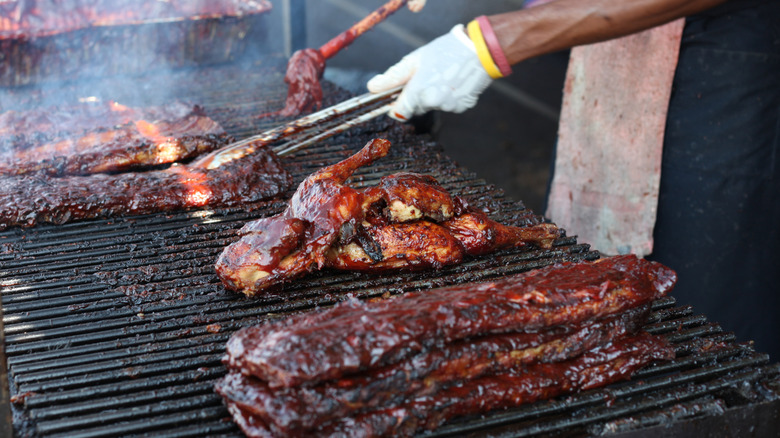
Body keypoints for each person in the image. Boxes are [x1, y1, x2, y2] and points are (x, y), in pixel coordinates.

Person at [367, 0, 780, 361]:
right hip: (609, 53)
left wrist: (492, 42)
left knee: (711, 305)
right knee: (585, 289)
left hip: (723, 66)